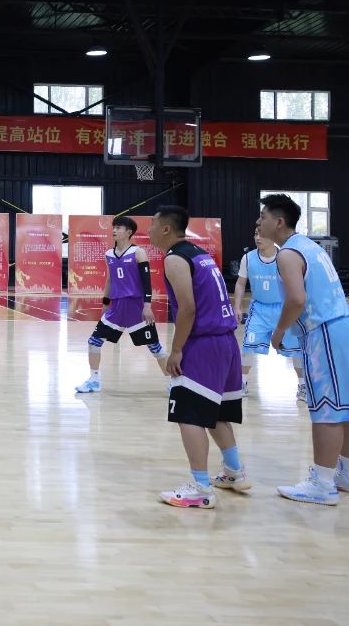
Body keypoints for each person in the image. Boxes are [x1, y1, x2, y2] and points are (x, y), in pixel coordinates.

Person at [258, 194, 349, 505]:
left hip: (326, 332)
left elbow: (296, 299)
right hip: (347, 327)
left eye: (263, 216)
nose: (258, 221)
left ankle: (322, 484)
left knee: (326, 410)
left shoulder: (287, 254)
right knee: (348, 409)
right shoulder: (309, 246)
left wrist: (279, 331)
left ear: (279, 222)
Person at [149, 205, 247, 509]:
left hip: (203, 343)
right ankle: (234, 471)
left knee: (188, 414)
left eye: (152, 224)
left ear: (166, 229)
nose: (149, 230)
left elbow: (188, 308)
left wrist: (176, 349)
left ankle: (200, 488)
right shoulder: (199, 254)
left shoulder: (175, 258)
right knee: (215, 413)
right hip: (226, 341)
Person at [74, 216, 166, 393]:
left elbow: (147, 282)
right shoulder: (109, 254)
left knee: (155, 348)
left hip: (136, 308)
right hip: (116, 308)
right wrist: (105, 302)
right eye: (114, 227)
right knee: (93, 342)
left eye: (119, 228)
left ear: (129, 232)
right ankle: (94, 380)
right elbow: (109, 280)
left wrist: (147, 306)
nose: (114, 230)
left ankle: (174, 382)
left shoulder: (138, 252)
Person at [232, 231, 306, 401]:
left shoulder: (285, 257)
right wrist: (237, 306)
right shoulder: (248, 258)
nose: (258, 238)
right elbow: (240, 283)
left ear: (273, 238)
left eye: (262, 235)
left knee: (295, 349)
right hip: (259, 309)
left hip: (283, 308)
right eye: (255, 234)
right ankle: (241, 383)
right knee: (248, 346)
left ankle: (302, 386)